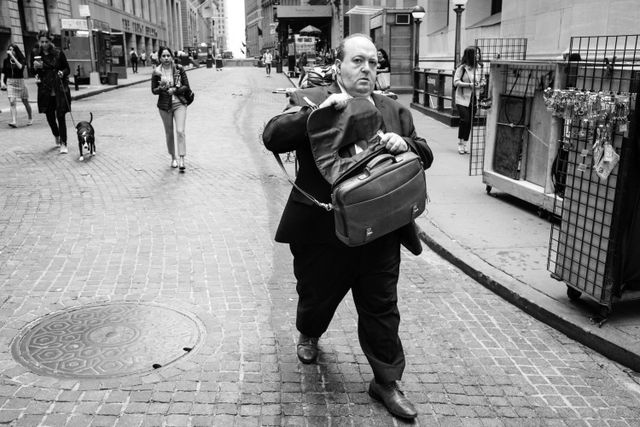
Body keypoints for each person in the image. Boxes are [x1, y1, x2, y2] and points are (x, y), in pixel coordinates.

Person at [262, 34, 433, 420]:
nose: (367, 69)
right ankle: (309, 332)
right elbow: (272, 136)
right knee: (315, 296)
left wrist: (404, 144)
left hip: (380, 232)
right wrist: (317, 110)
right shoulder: (314, 99)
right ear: (338, 65)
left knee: (382, 307)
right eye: (358, 61)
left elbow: (425, 152)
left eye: (374, 63)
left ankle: (385, 381)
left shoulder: (393, 109)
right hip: (322, 232)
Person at [151, 47, 192, 172]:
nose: (166, 58)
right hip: (164, 106)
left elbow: (186, 86)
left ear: (172, 57)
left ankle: (181, 159)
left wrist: (175, 90)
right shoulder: (156, 72)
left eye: (168, 55)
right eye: (163, 56)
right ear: (160, 58)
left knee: (180, 131)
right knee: (169, 133)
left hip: (179, 103)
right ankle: (173, 157)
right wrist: (161, 88)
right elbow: (153, 90)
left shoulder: (179, 69)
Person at [31, 30, 71, 153]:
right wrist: (35, 71)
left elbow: (67, 69)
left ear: (50, 41)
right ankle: (56, 135)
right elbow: (36, 73)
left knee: (61, 116)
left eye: (46, 41)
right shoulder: (37, 55)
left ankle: (64, 143)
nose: (44, 44)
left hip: (59, 89)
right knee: (50, 117)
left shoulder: (58, 53)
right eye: (41, 41)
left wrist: (62, 72)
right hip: (45, 90)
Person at [453, 46, 486, 154]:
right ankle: (460, 143)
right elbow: (456, 82)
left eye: (478, 53)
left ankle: (465, 143)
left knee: (470, 122)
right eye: (476, 53)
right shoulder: (462, 68)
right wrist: (469, 85)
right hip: (462, 97)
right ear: (470, 55)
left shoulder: (480, 67)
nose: (478, 55)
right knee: (465, 120)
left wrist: (480, 84)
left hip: (474, 98)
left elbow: (483, 81)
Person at [1, 44, 33, 128]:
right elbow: (3, 71)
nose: (11, 51)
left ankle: (30, 117)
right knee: (12, 101)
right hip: (10, 82)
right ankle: (14, 121)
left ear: (16, 51)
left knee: (25, 102)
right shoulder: (6, 61)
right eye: (9, 50)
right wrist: (2, 82)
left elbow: (20, 67)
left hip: (20, 82)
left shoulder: (22, 59)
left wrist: (13, 57)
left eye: (13, 50)